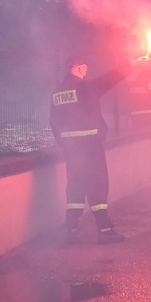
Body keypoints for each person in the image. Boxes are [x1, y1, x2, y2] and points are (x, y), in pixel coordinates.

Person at [50, 54, 129, 244]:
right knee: (97, 185)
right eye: (85, 68)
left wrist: (65, 143)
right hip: (91, 147)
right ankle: (104, 230)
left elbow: (53, 121)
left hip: (71, 150)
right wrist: (131, 64)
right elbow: (110, 79)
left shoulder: (57, 92)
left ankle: (71, 232)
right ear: (78, 68)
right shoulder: (85, 88)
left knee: (75, 187)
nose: (86, 72)